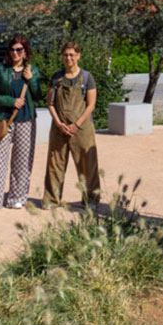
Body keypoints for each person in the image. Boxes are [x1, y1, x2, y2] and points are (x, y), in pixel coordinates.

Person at [0, 33, 42, 211]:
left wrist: (31, 80)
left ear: (25, 52)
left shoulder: (32, 70)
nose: (15, 53)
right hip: (2, 119)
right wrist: (11, 102)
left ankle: (17, 197)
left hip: (26, 118)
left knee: (22, 160)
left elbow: (38, 95)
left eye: (19, 50)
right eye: (12, 50)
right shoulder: (0, 69)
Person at [42, 41, 101, 209]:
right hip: (59, 129)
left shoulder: (87, 78)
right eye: (65, 55)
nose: (68, 58)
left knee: (87, 165)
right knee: (55, 165)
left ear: (78, 56)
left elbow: (91, 104)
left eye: (72, 55)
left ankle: (91, 200)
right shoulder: (56, 78)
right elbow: (50, 103)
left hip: (81, 129)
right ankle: (51, 200)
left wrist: (76, 124)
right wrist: (59, 123)